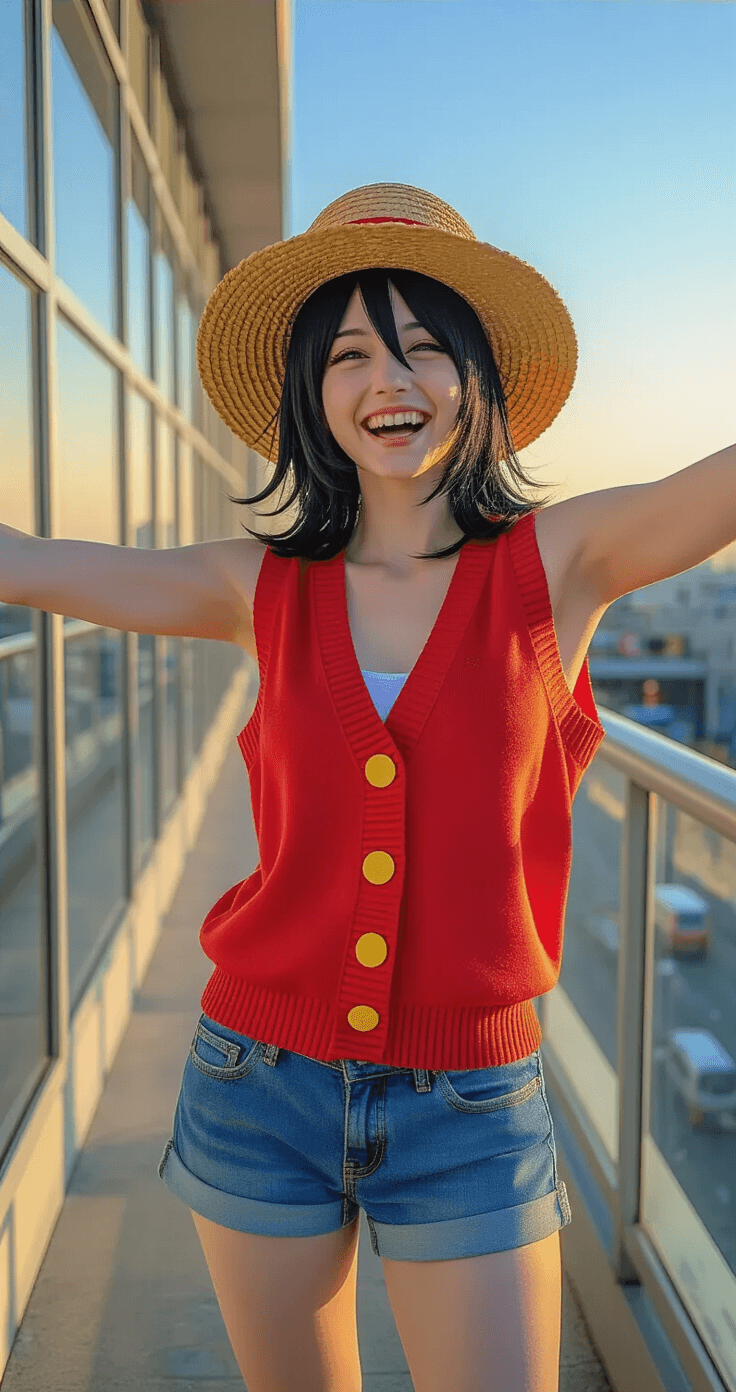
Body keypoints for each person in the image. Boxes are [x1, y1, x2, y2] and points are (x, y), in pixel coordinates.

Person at [0, 183, 608, 1392]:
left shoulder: (560, 563)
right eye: (349, 354)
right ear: (309, 395)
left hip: (473, 1106)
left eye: (426, 346)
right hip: (254, 1084)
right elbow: (26, 564)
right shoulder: (254, 585)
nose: (390, 378)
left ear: (478, 376)